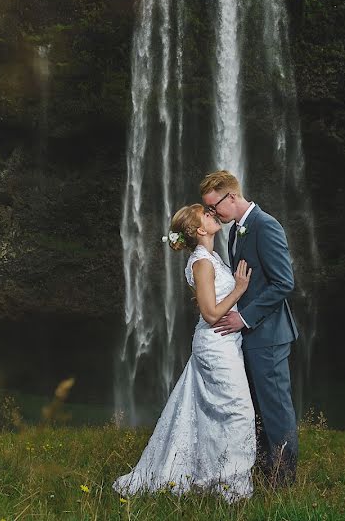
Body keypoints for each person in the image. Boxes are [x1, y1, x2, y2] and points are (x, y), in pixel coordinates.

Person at [113, 204, 256, 501]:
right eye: (206, 214)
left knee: (214, 412)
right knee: (237, 412)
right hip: (215, 344)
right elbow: (210, 314)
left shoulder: (211, 257)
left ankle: (214, 478)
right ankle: (228, 486)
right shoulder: (201, 262)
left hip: (225, 343)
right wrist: (240, 289)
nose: (213, 214)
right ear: (200, 230)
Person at [200, 170, 300, 486]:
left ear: (231, 196)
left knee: (276, 410)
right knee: (256, 408)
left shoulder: (265, 226)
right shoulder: (235, 231)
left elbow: (284, 282)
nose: (212, 213)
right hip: (250, 338)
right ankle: (263, 472)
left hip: (268, 337)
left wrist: (243, 318)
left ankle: (283, 482)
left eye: (214, 206)